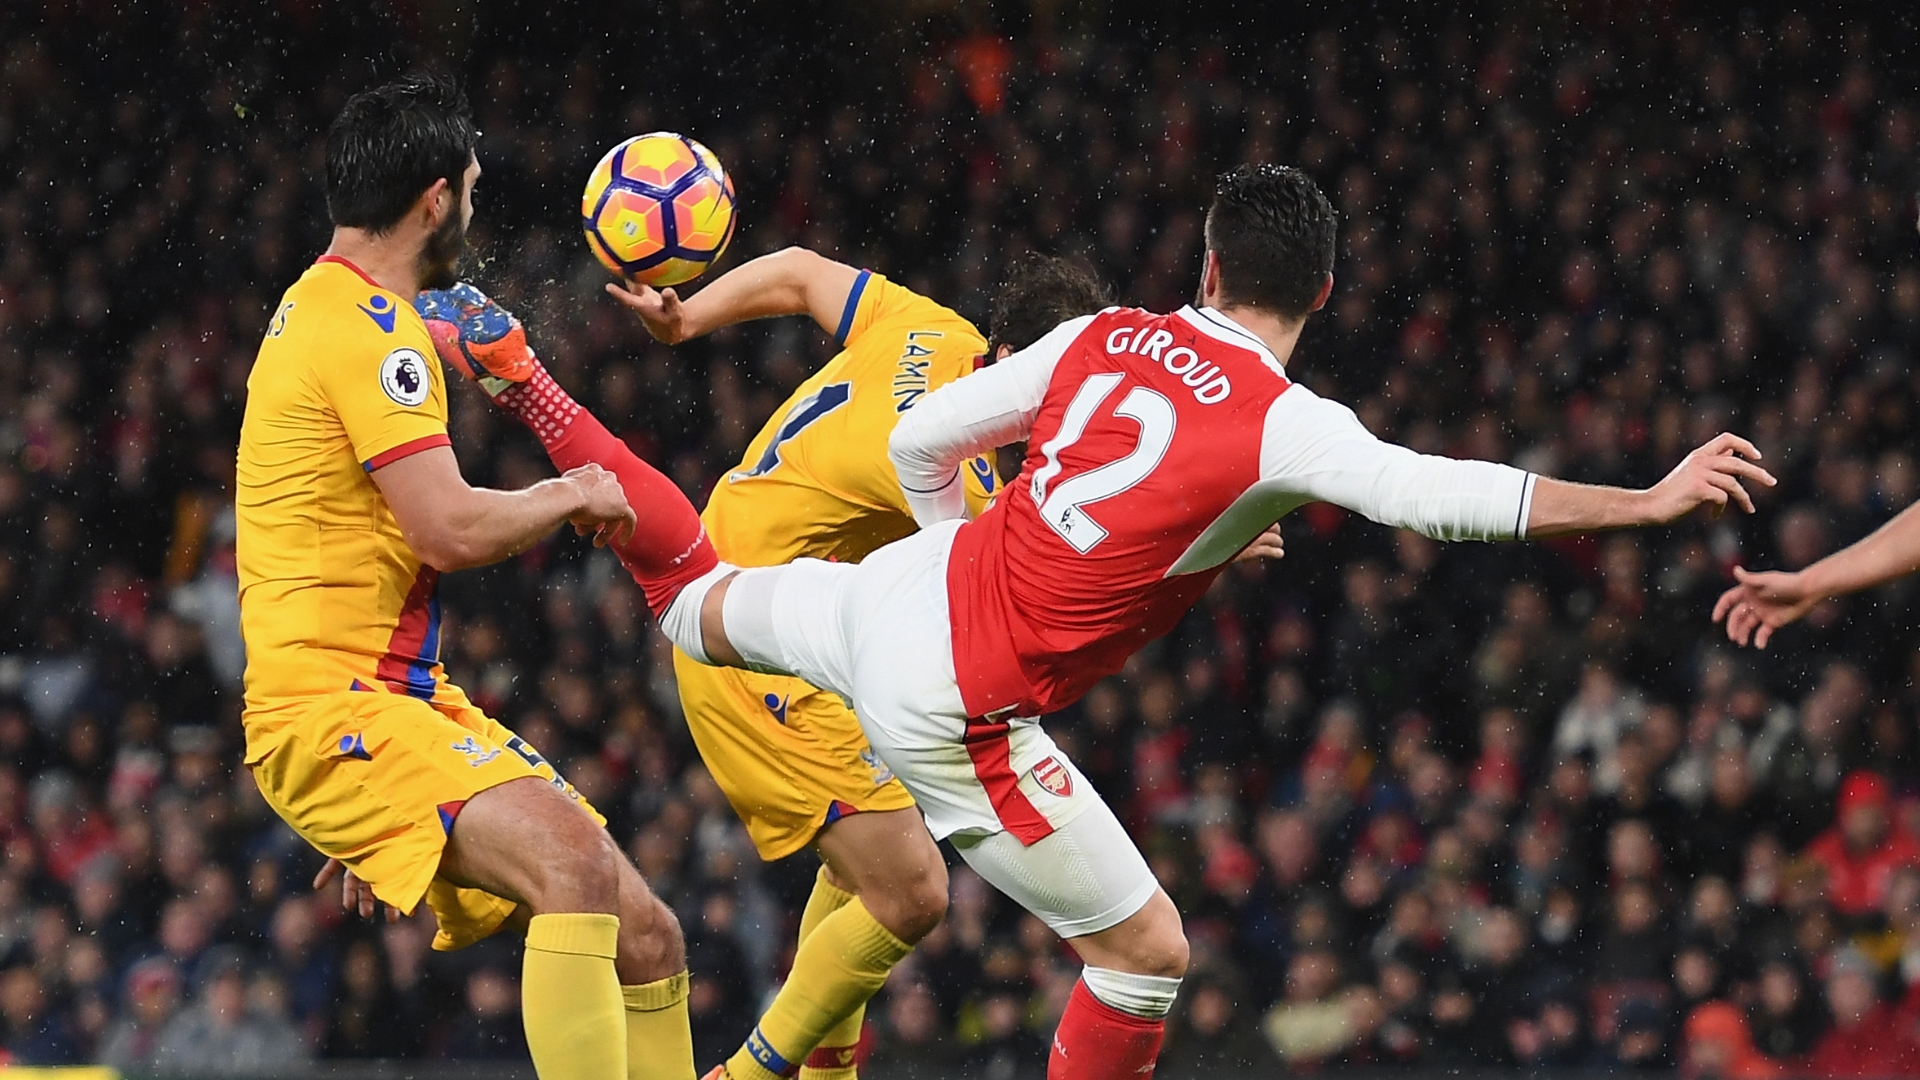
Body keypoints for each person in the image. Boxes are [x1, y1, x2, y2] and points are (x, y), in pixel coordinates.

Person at [459, 164, 1774, 1080]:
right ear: (1318, 296)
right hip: (954, 702)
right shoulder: (1283, 421)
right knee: (1144, 959)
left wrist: (962, 555)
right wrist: (1649, 501)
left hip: (887, 599)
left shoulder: (1104, 335)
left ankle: (519, 372)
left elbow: (926, 435)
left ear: (1206, 262)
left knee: (684, 595)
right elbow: (1449, 500)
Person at [420, 249, 1251, 1080]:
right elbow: (1052, 567)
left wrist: (690, 318)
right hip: (756, 642)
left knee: (872, 863)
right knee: (913, 891)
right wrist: (1211, 531)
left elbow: (800, 272)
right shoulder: (960, 461)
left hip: (768, 593)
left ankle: (828, 1072)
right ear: (1008, 362)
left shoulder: (929, 328)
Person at [234, 72, 691, 1080]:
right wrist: (570, 492)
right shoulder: (369, 329)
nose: (472, 210)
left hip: (400, 705)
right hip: (330, 707)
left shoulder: (319, 310)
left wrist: (382, 802)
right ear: (435, 197)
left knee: (649, 935)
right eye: (472, 190)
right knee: (568, 862)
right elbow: (446, 529)